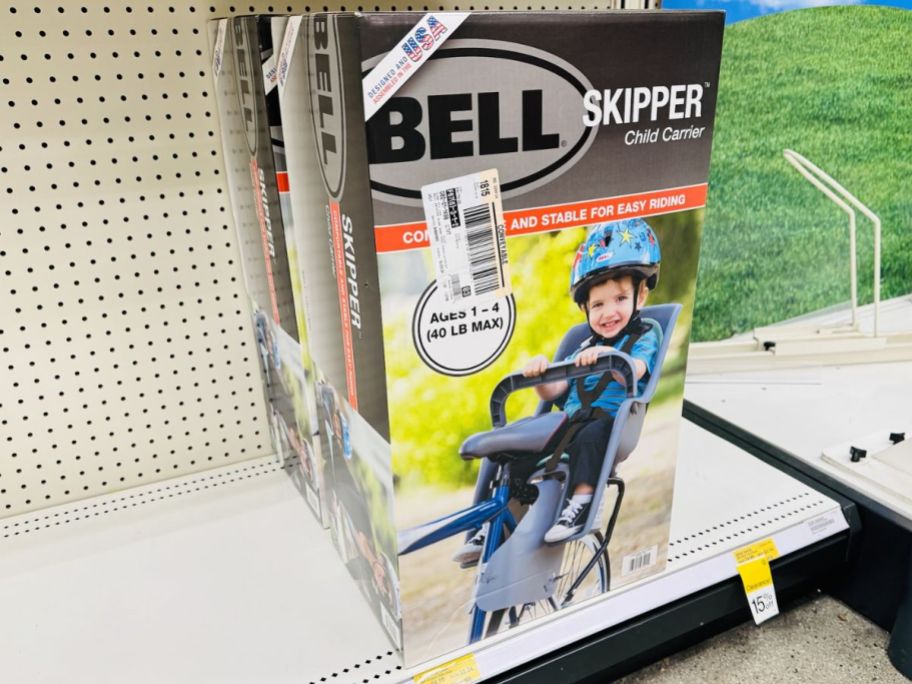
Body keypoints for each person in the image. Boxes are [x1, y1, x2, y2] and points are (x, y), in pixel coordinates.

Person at [453, 219, 662, 563]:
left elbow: (637, 371)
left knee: (592, 433)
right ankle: (495, 523)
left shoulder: (644, 335)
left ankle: (580, 504)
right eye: (597, 305)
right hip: (568, 425)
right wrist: (541, 375)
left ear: (641, 295)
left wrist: (612, 357)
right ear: (585, 309)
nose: (609, 312)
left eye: (620, 299)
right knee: (515, 456)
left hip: (611, 423)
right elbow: (556, 392)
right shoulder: (581, 348)